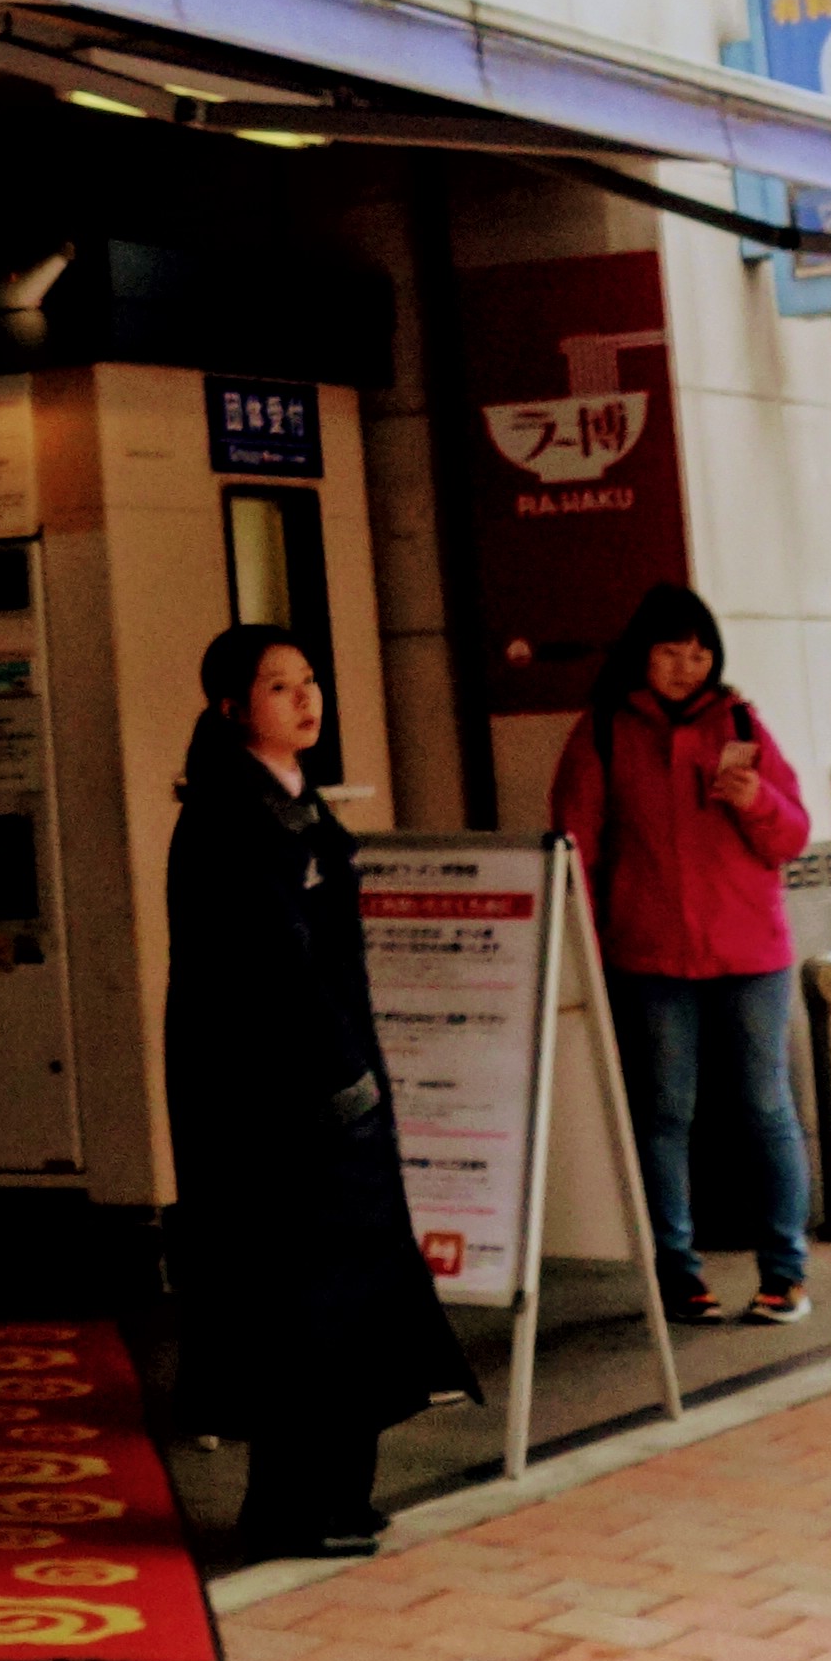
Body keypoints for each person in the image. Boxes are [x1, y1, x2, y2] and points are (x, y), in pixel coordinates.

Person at [157, 622, 469, 1553]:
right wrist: (340, 1076)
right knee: (296, 1296)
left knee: (354, 1286)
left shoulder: (297, 801)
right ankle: (288, 1508)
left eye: (309, 681)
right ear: (231, 708)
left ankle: (341, 1492)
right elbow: (266, 972)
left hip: (336, 1084)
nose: (306, 699)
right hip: (270, 1099)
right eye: (280, 686)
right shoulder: (225, 815)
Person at [547, 583, 817, 1329]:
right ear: (641, 654)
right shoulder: (603, 730)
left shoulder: (741, 723)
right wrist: (588, 948)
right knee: (664, 1116)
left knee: (766, 1109)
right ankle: (677, 1277)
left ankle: (785, 1275)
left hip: (750, 953)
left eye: (699, 653)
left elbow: (793, 837)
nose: (686, 667)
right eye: (670, 652)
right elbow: (576, 847)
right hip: (651, 957)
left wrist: (755, 799)